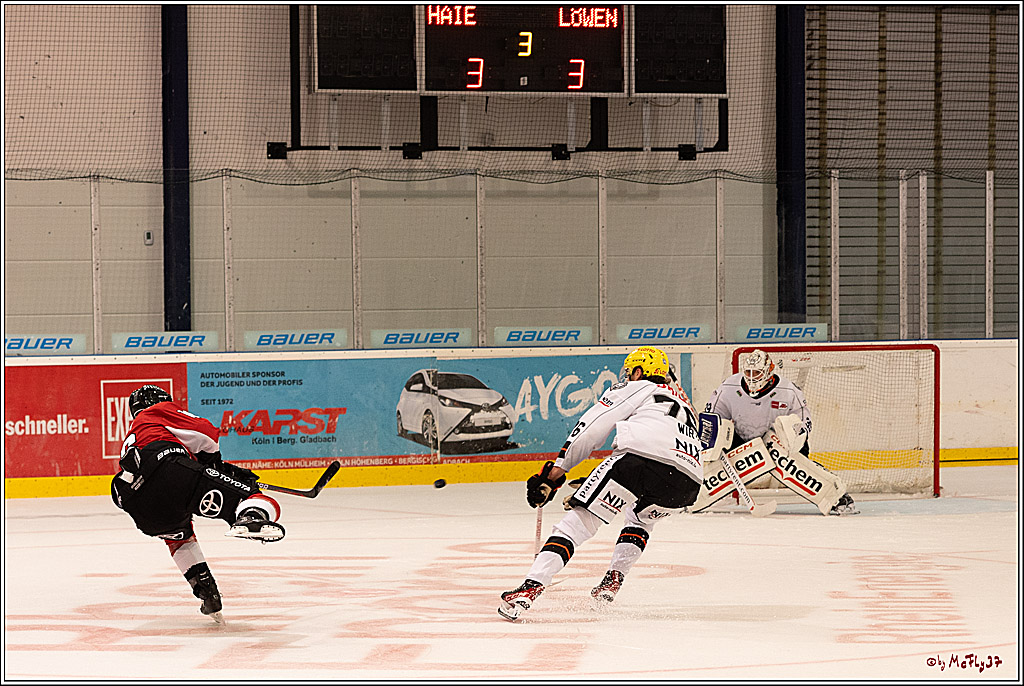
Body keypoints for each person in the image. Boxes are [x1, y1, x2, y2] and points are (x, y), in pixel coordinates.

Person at [498, 346, 704, 621]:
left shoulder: (637, 387)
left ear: (641, 371)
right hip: (687, 483)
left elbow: (591, 427)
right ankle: (612, 581)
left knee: (579, 521)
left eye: (631, 371)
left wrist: (556, 473)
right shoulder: (683, 404)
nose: (628, 376)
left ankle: (529, 589)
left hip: (639, 462)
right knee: (640, 520)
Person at [110, 385, 286, 623]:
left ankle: (207, 593)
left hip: (138, 505)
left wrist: (211, 470)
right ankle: (251, 516)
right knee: (253, 497)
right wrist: (214, 464)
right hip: (167, 471)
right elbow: (206, 432)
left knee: (178, 537)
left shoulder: (137, 432)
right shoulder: (157, 412)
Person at [703, 349, 858, 516]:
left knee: (785, 447)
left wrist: (792, 436)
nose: (752, 377)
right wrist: (713, 440)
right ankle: (692, 494)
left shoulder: (789, 391)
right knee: (717, 443)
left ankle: (835, 496)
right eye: (748, 372)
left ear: (769, 371)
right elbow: (712, 419)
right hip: (742, 442)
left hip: (775, 443)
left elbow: (804, 423)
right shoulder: (729, 387)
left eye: (757, 372)